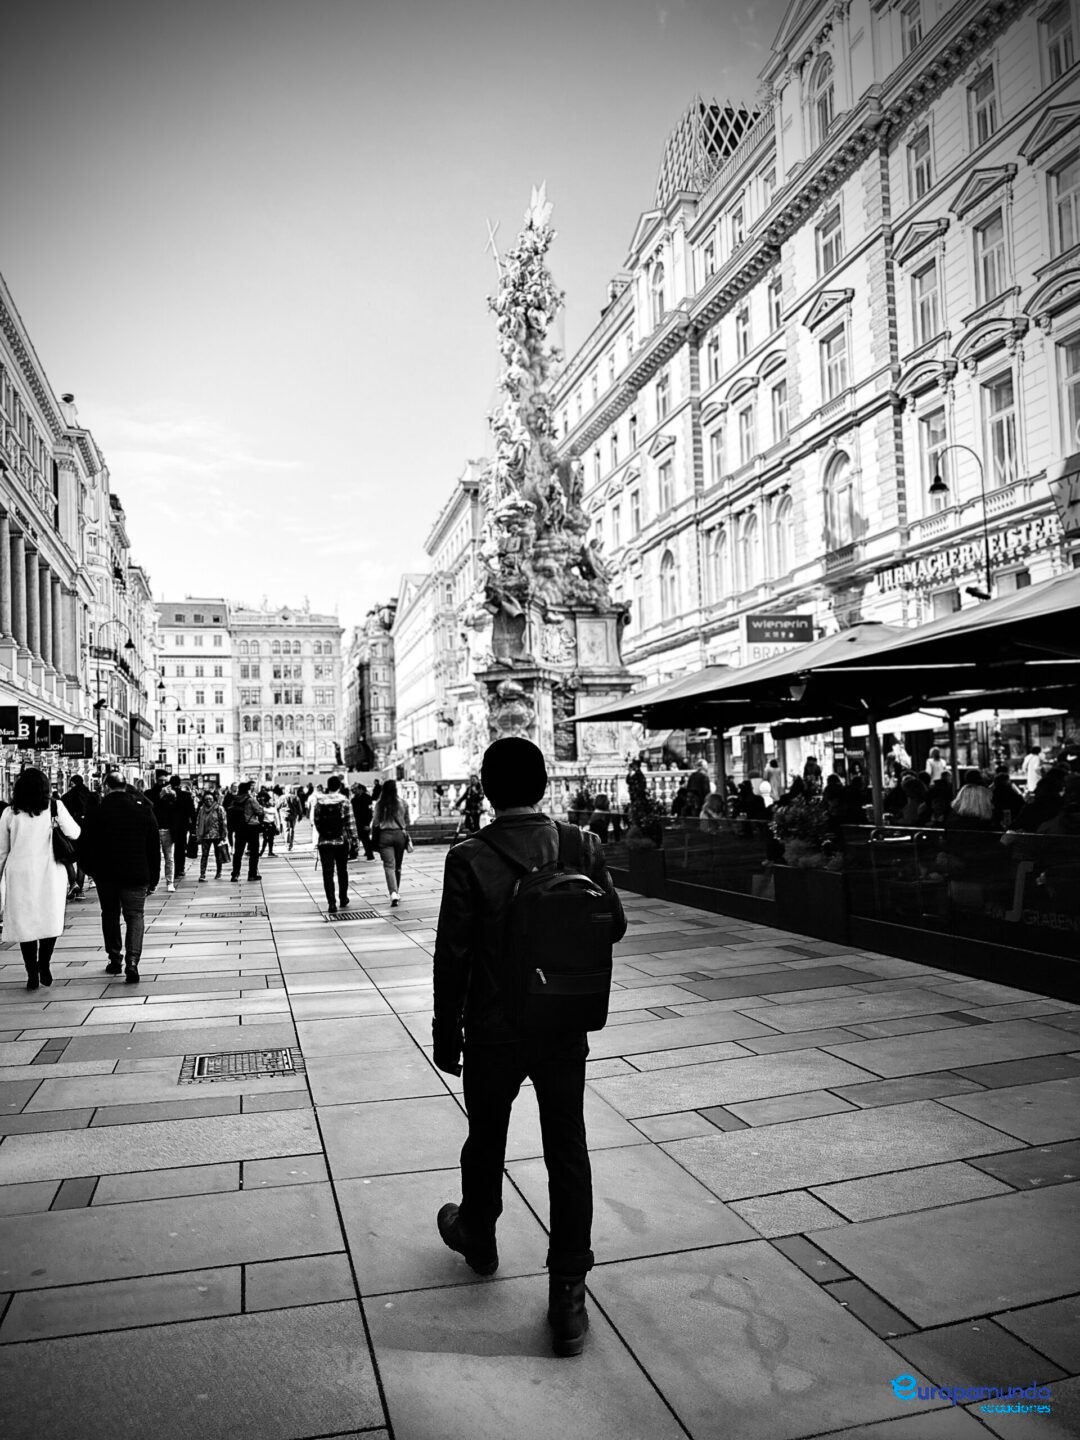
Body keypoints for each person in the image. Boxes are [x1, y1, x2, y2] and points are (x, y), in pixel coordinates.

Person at [432, 737, 627, 1358]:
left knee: (486, 1136)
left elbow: (453, 954)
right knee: (566, 1147)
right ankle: (568, 1295)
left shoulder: (469, 856)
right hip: (563, 1023)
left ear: (487, 790)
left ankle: (480, 1236)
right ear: (544, 784)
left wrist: (445, 1031)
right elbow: (614, 923)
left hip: (493, 1028)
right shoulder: (580, 844)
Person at [0, 768, 81, 990]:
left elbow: (2, 851)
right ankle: (44, 963)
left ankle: (31, 973)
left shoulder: (10, 813)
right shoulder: (55, 806)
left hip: (19, 873)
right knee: (49, 918)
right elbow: (75, 833)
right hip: (50, 871)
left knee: (25, 922)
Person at [77, 771, 160, 982]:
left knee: (110, 915)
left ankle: (115, 958)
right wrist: (154, 877)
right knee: (135, 916)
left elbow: (84, 845)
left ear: (106, 787)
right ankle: (132, 962)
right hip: (136, 873)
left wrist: (90, 870)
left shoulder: (97, 811)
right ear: (126, 786)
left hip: (106, 875)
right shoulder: (143, 809)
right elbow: (153, 846)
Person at [311, 774, 359, 915]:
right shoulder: (344, 801)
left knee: (327, 873)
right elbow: (350, 823)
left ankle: (331, 903)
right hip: (341, 841)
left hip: (325, 842)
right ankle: (343, 898)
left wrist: (323, 835)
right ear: (339, 786)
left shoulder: (320, 801)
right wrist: (355, 840)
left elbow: (316, 822)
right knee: (342, 870)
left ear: (328, 786)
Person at [372, 778, 413, 907]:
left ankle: (393, 892)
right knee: (398, 865)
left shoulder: (380, 804)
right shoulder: (402, 803)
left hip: (385, 836)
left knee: (389, 866)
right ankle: (397, 891)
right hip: (399, 835)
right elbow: (408, 821)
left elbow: (375, 823)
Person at [60, 773, 96, 897]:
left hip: (70, 831)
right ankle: (79, 889)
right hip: (88, 831)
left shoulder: (65, 797)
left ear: (72, 784)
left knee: (67, 857)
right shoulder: (91, 796)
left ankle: (73, 883)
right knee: (82, 859)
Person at [229, 781, 266, 883]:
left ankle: (235, 874)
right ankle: (252, 875)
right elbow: (260, 811)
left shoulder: (235, 800)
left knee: (238, 853)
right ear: (248, 789)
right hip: (251, 827)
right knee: (254, 852)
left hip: (239, 828)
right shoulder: (250, 800)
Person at [149, 775, 178, 893]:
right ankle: (153, 883)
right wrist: (160, 796)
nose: (162, 783)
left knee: (169, 857)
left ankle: (170, 882)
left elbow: (176, 810)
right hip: (154, 829)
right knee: (153, 858)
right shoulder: (150, 793)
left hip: (168, 829)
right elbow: (150, 807)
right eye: (160, 780)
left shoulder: (171, 795)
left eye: (164, 781)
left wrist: (172, 796)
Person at [195, 789, 229, 880]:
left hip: (217, 835)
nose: (208, 801)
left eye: (210, 799)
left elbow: (224, 822)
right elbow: (198, 822)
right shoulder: (202, 809)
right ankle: (202, 874)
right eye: (206, 799)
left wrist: (224, 835)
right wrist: (198, 833)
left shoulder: (219, 808)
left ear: (213, 799)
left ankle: (219, 872)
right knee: (204, 855)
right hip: (205, 836)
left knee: (218, 855)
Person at [168, 775, 197, 879]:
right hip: (182, 825)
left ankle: (171, 869)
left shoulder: (167, 795)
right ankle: (180, 869)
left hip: (169, 824)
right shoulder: (186, 795)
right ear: (179, 783)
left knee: (168, 849)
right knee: (180, 847)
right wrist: (193, 826)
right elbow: (192, 812)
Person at [351, 783, 375, 860]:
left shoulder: (367, 798)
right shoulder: (354, 799)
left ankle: (370, 855)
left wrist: (367, 824)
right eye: (352, 789)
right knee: (355, 838)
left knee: (365, 839)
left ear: (360, 789)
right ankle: (354, 854)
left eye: (355, 789)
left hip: (364, 822)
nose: (353, 791)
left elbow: (369, 812)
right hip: (356, 822)